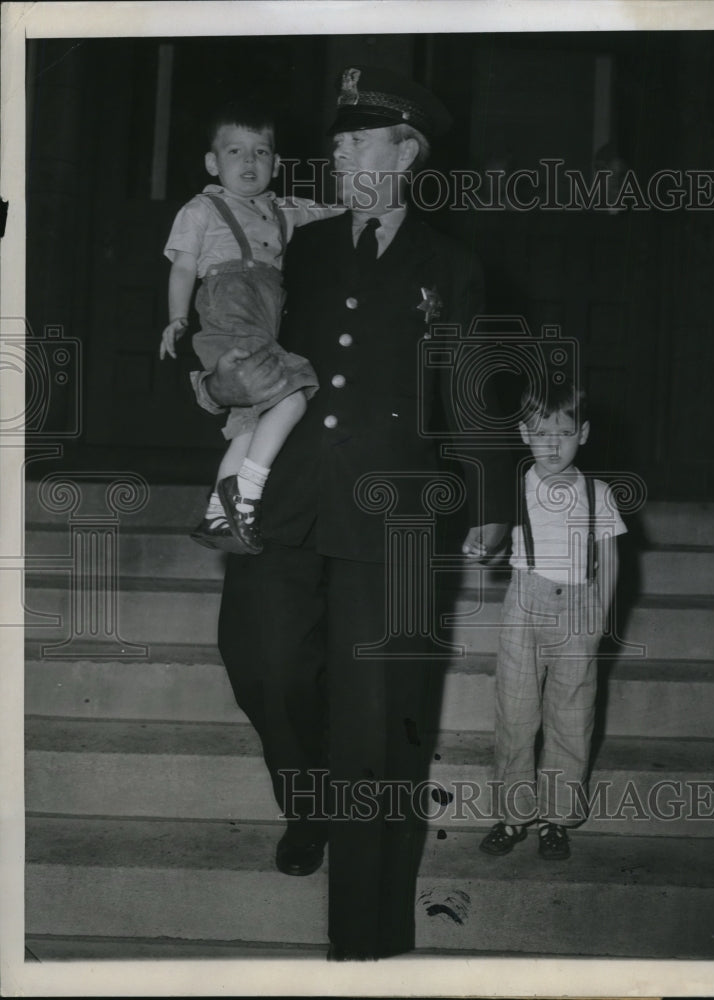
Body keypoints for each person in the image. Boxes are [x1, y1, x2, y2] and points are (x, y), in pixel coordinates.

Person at [191, 66, 513, 960]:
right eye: (335, 142)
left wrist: (489, 492)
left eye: (356, 140)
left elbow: (469, 380)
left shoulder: (450, 263)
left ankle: (367, 950)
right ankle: (310, 800)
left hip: (397, 517)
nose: (337, 152)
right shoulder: (304, 242)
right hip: (288, 499)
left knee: (379, 725)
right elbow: (247, 332)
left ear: (404, 152)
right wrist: (218, 370)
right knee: (259, 662)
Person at [160, 101, 341, 553]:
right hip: (228, 309)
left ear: (276, 164)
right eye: (235, 151)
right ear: (212, 162)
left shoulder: (283, 210)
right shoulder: (202, 208)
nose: (249, 162)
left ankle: (218, 518)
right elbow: (183, 267)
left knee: (249, 422)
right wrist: (177, 317)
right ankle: (248, 492)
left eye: (261, 152)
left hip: (264, 319)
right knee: (294, 394)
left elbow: (335, 213)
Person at [479, 378, 626, 861]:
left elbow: (611, 559)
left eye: (563, 433)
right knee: (516, 713)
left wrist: (600, 617)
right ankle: (511, 813)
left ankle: (555, 819)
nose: (552, 444)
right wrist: (485, 546)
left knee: (572, 714)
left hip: (580, 609)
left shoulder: (597, 492)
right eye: (541, 433)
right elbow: (495, 537)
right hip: (524, 604)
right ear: (524, 433)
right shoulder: (514, 485)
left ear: (582, 433)